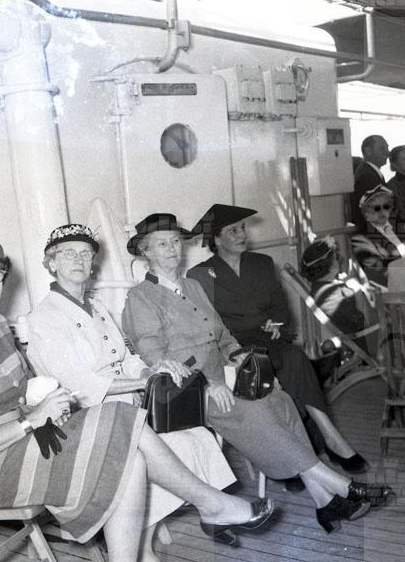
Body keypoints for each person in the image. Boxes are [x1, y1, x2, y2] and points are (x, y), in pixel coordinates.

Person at [0, 239, 276, 561]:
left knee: (131, 459)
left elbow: (21, 390)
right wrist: (31, 419)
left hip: (18, 440)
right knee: (122, 426)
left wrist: (42, 403)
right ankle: (212, 505)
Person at [122, 214, 390, 533]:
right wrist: (205, 384)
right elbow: (155, 356)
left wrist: (246, 362)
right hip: (189, 390)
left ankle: (324, 501)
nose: (172, 249)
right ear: (146, 252)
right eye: (162, 244)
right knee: (256, 411)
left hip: (224, 374)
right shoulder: (140, 296)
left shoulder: (192, 286)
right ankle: (343, 486)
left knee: (280, 400)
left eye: (176, 242)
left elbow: (223, 336)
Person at [26, 224, 239, 556]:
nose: (79, 260)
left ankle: (146, 542)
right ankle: (145, 548)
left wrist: (151, 369)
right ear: (51, 263)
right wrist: (145, 381)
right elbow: (80, 386)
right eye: (68, 254)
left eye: (85, 254)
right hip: (82, 417)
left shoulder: (96, 307)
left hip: (126, 407)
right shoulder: (44, 317)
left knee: (195, 437)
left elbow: (125, 358)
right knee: (163, 449)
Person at [187, 204, 367, 475]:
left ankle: (326, 440)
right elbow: (204, 325)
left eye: (243, 227)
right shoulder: (200, 275)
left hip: (266, 340)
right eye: (233, 230)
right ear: (216, 239)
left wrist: (277, 324)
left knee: (294, 358)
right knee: (277, 369)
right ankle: (301, 452)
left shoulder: (262, 264)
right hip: (232, 348)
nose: (242, 234)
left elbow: (281, 309)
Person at [300, 237, 378, 353]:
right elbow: (364, 322)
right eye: (336, 257)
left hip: (366, 335)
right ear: (329, 265)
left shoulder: (322, 287)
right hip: (371, 341)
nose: (339, 260)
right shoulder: (330, 296)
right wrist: (357, 289)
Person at [351, 185, 405, 288]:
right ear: (366, 214)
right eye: (376, 208)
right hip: (390, 288)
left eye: (386, 206)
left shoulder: (399, 227)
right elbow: (377, 273)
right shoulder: (360, 239)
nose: (382, 212)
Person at [351, 135, 389, 228]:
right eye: (382, 148)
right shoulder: (367, 176)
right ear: (368, 151)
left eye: (387, 148)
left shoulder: (370, 172)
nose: (387, 152)